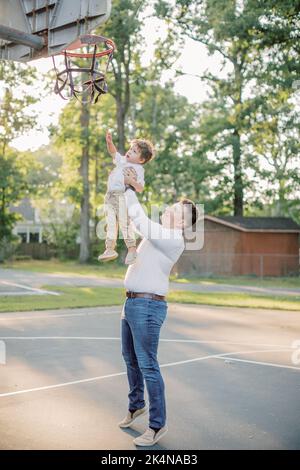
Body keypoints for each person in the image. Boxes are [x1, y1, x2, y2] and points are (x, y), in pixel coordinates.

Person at [118, 185, 198, 447]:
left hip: (148, 307)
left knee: (148, 365)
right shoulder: (156, 236)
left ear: (183, 222)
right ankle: (136, 405)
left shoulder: (173, 238)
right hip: (131, 303)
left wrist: (129, 189)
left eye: (175, 209)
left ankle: (156, 425)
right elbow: (135, 223)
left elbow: (140, 219)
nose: (169, 209)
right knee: (130, 360)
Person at [98, 131, 154, 265]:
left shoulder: (138, 169)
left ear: (141, 160)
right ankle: (110, 249)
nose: (129, 152)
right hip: (109, 195)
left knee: (124, 222)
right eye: (131, 149)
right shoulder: (123, 161)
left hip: (121, 195)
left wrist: (130, 181)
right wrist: (109, 143)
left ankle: (132, 249)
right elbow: (113, 153)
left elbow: (140, 188)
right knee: (110, 223)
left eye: (134, 151)